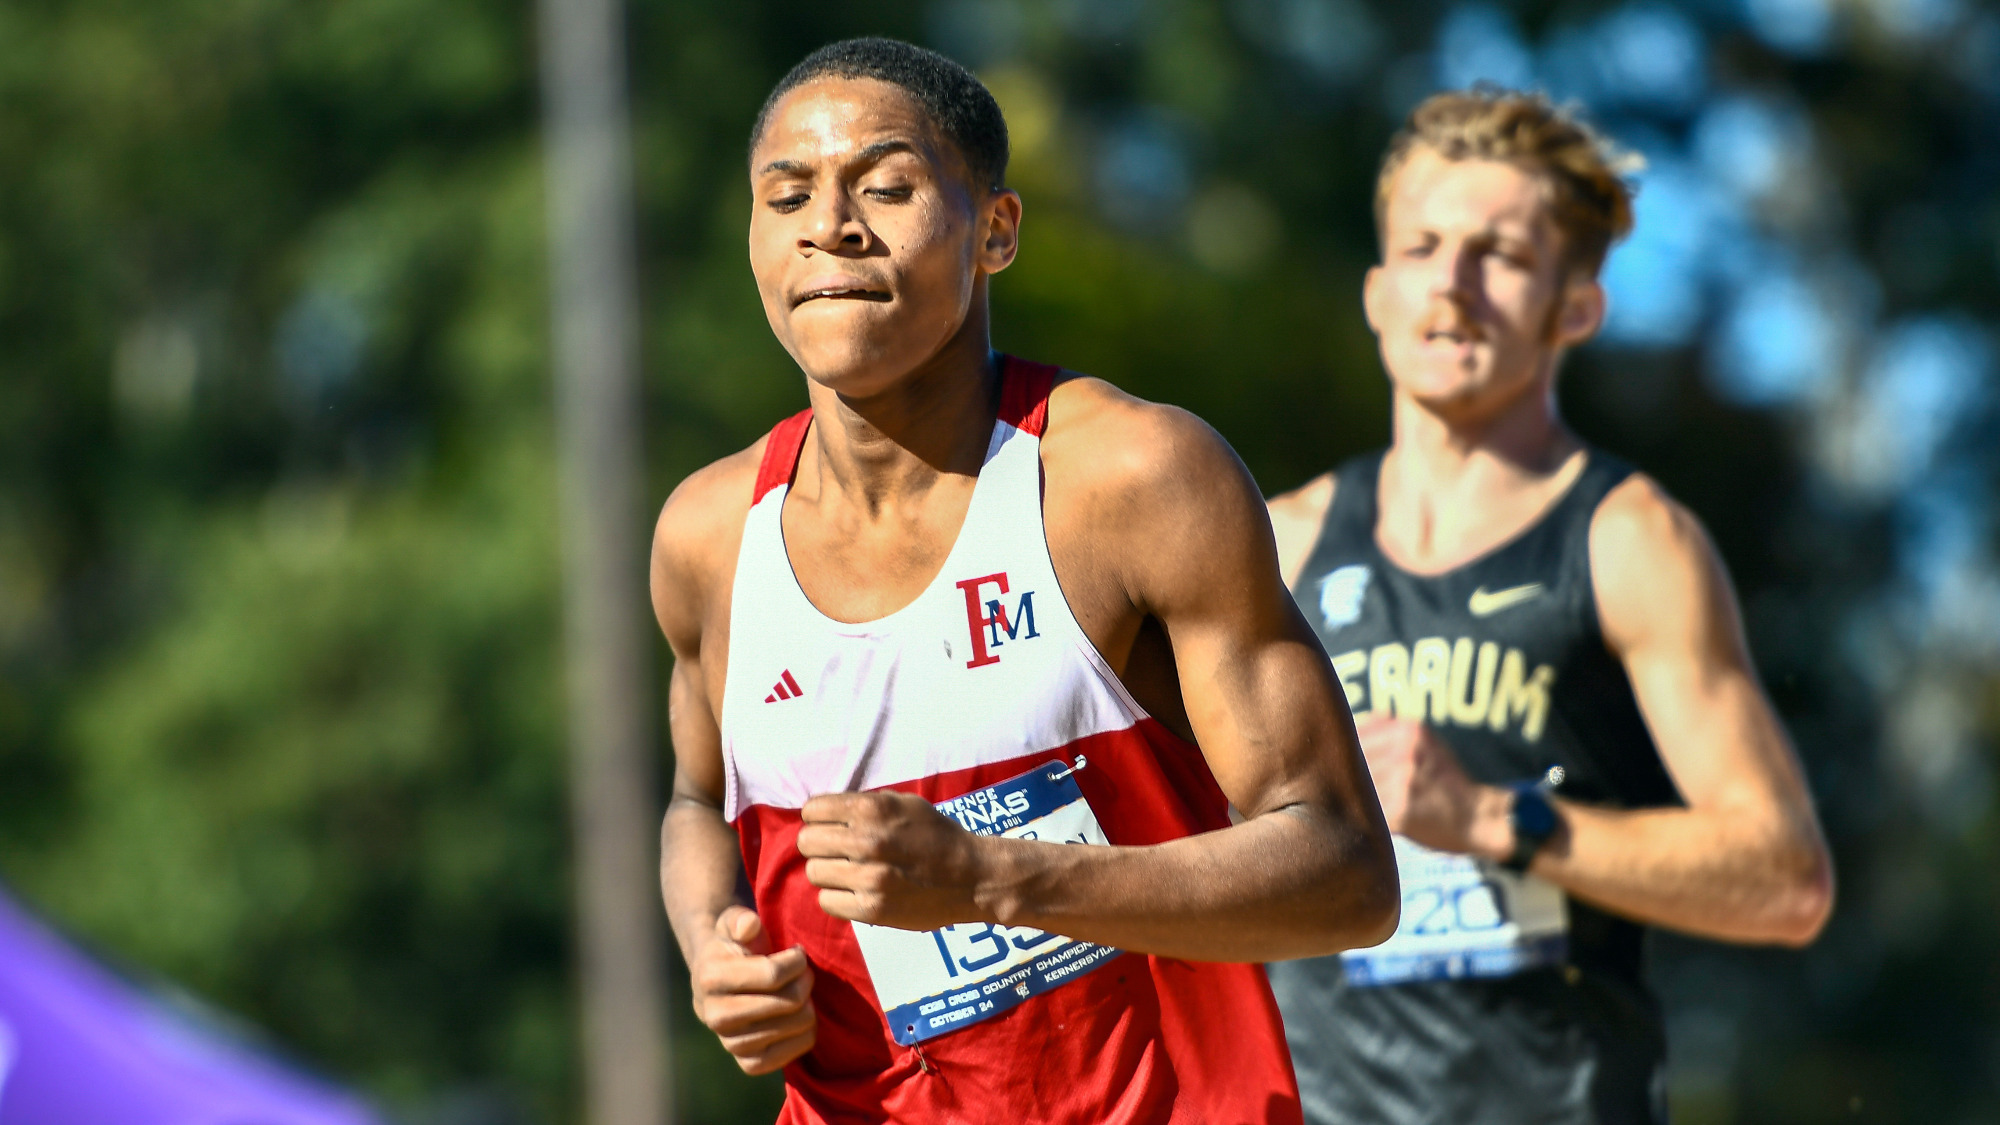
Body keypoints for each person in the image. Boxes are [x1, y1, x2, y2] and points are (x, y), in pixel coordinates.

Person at [650, 37, 1397, 1125]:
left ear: (993, 231)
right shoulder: (706, 534)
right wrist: (710, 949)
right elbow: (691, 802)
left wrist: (992, 879)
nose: (832, 226)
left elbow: (1345, 874)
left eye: (889, 186)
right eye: (787, 195)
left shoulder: (1130, 478)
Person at [1263, 87, 1837, 1125]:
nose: (1451, 282)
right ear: (1374, 291)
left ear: (1574, 308)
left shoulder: (1627, 540)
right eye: (1422, 247)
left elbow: (1783, 877)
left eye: (1500, 256)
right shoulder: (1276, 543)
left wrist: (1485, 817)